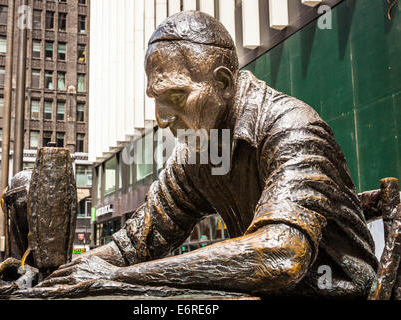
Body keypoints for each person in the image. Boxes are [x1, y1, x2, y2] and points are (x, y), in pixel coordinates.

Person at [37, 11, 378, 299]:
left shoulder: (291, 127)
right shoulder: (196, 154)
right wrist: (49, 279)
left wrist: (121, 277)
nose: (162, 118)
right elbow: (133, 245)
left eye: (177, 96)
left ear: (224, 83)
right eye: (156, 98)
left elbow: (283, 254)